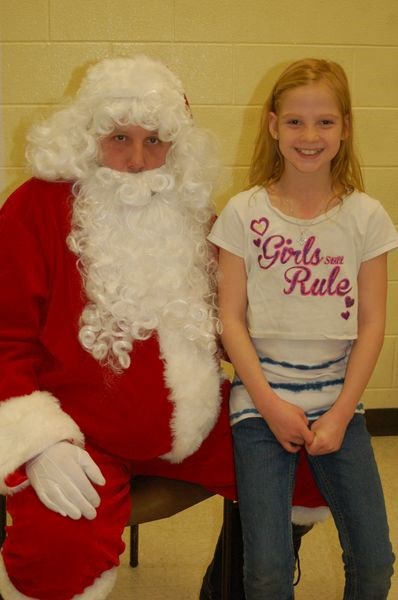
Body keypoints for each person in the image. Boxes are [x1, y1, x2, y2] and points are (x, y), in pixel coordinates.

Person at [0, 55, 327, 600]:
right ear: (87, 136)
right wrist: (37, 443)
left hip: (194, 426)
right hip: (79, 437)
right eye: (118, 137)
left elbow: (238, 321)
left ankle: (233, 585)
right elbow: (3, 339)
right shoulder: (34, 209)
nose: (135, 160)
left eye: (155, 141)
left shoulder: (195, 212)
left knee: (312, 464)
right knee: (56, 559)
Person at [208, 58, 397, 599]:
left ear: (345, 127)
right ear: (272, 125)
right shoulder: (243, 213)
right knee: (265, 570)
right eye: (294, 121)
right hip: (260, 403)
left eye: (324, 122)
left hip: (340, 402)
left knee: (376, 561)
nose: (309, 136)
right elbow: (231, 319)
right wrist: (267, 403)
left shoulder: (366, 217)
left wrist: (341, 413)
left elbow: (373, 323)